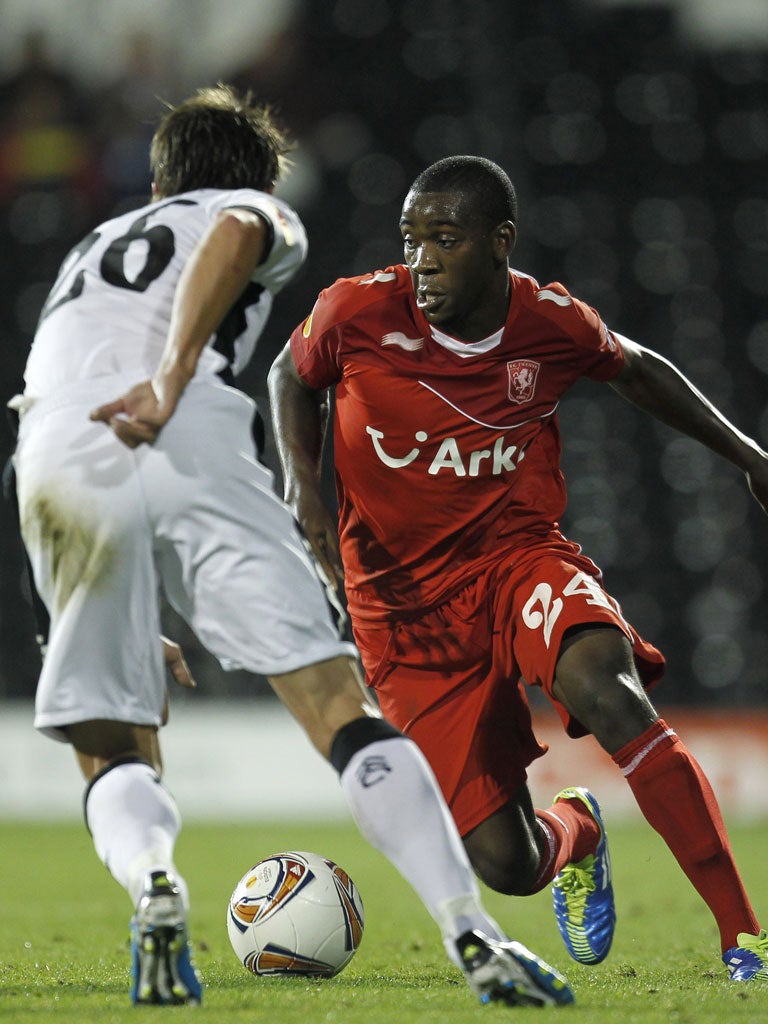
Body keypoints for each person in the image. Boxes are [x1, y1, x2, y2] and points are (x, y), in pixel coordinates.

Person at [10, 91, 576, 1009]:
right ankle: (472, 929)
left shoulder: (85, 257)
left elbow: (37, 431)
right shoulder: (252, 206)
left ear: (157, 180)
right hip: (180, 428)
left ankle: (155, 886)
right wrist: (169, 378)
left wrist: (73, 608)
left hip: (57, 460)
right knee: (335, 708)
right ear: (257, 175)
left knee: (113, 746)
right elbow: (236, 226)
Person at [268, 153, 768, 984]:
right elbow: (292, 373)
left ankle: (743, 934)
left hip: (514, 561)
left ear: (500, 243)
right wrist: (302, 484)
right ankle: (578, 830)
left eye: (445, 238)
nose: (422, 258)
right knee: (506, 861)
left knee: (611, 693)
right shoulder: (356, 312)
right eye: (411, 238)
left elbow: (637, 369)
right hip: (401, 613)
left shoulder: (550, 322)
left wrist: (749, 456)